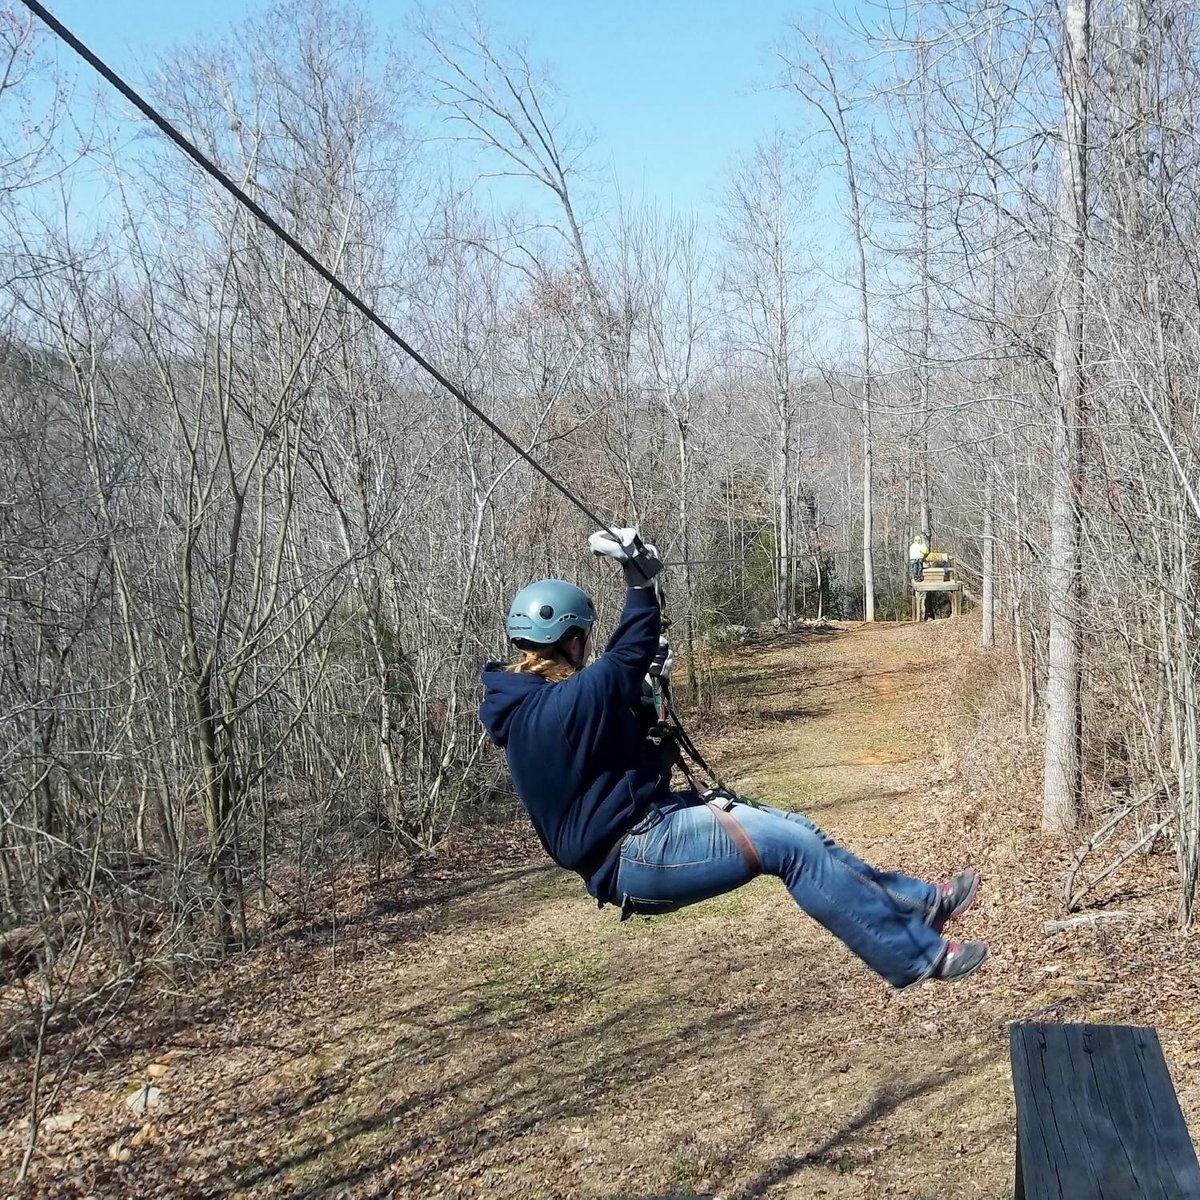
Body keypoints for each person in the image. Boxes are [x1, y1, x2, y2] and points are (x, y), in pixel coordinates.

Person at [479, 528, 986, 990]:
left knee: (798, 831)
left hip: (649, 826)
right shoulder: (550, 711)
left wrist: (643, 701)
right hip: (633, 855)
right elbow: (622, 660)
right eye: (584, 639)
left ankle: (923, 905)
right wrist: (639, 585)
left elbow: (617, 729)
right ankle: (917, 957)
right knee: (791, 848)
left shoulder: (538, 707)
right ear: (572, 641)